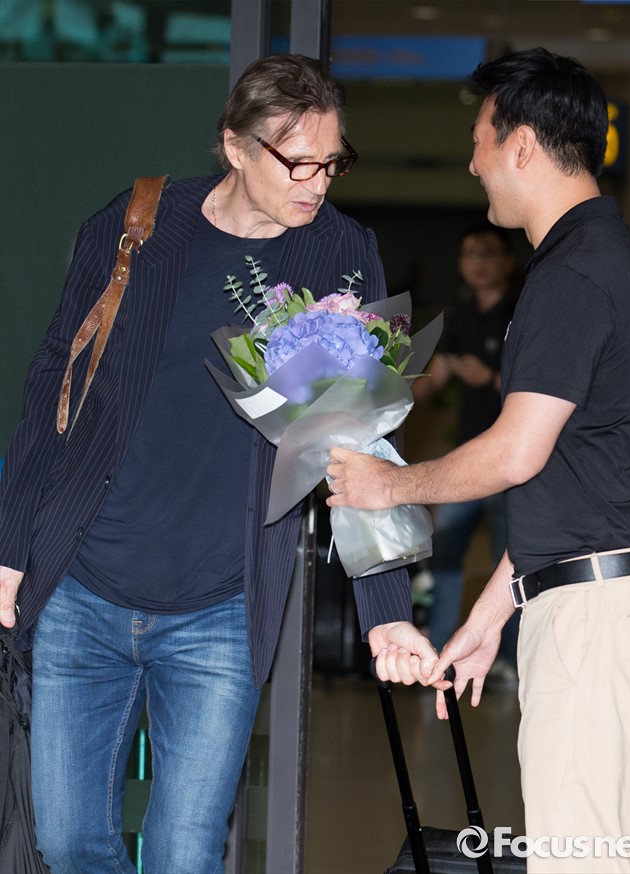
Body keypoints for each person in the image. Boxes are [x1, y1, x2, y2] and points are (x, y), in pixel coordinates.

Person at [0, 54, 414, 874]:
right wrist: (9, 548)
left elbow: (358, 439)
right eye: (296, 161)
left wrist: (386, 609)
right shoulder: (138, 223)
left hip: (222, 604)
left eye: (332, 162)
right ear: (234, 146)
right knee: (68, 841)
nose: (317, 183)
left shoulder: (341, 251)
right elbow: (54, 378)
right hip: (85, 583)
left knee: (185, 854)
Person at [327, 47, 630, 873]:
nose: (473, 165)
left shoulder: (573, 274)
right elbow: (578, 477)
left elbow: (517, 453)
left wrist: (389, 484)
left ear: (522, 145)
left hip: (600, 627)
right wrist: (493, 615)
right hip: (628, 607)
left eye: (479, 143)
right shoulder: (612, 262)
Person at [412, 223, 518, 683]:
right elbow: (434, 378)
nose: (478, 262)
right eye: (470, 254)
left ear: (507, 262)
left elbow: (544, 388)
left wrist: (488, 377)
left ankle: (509, 661)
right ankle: (437, 654)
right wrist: (378, 400)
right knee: (444, 550)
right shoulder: (461, 317)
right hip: (468, 457)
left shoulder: (520, 312)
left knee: (509, 562)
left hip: (513, 459)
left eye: (487, 253)